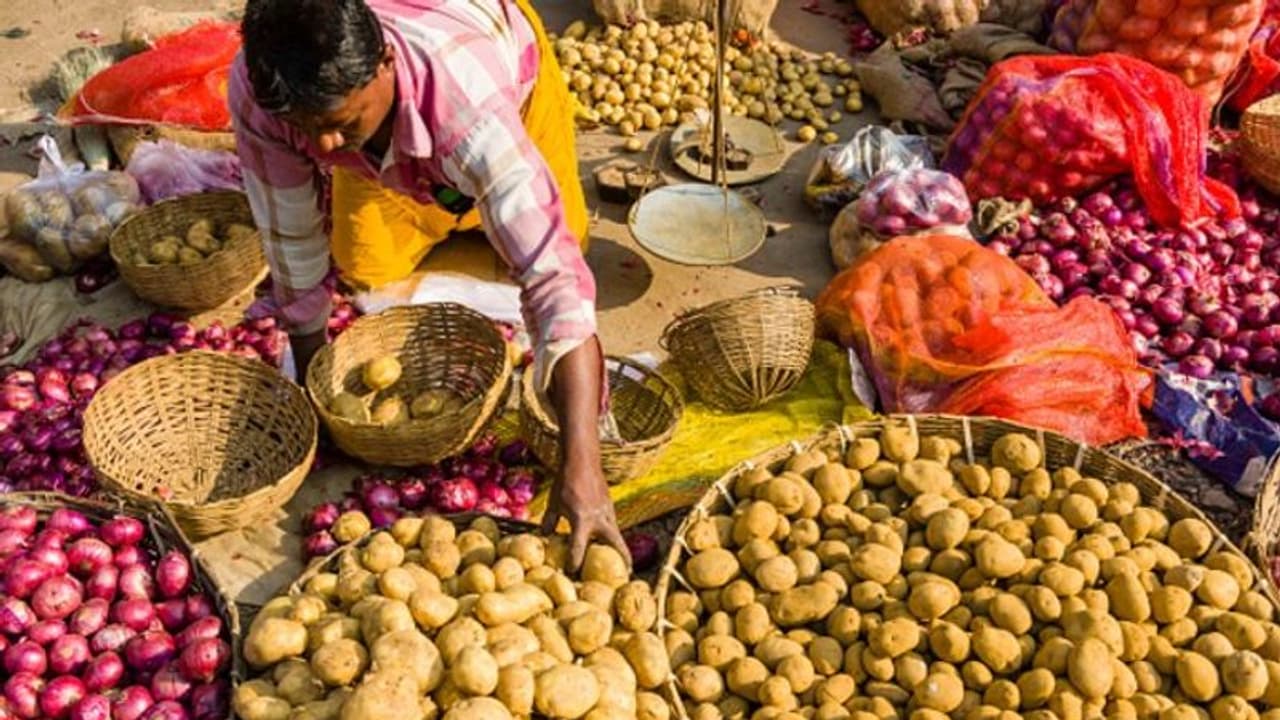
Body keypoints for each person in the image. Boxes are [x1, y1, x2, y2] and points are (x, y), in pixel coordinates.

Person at [231, 0, 627, 569]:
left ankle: (466, 206)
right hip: (392, 135)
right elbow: (290, 234)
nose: (321, 148)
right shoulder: (262, 88)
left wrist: (581, 466)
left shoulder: (468, 104)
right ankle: (444, 201)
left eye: (340, 123)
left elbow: (554, 279)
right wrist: (321, 391)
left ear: (385, 64)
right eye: (305, 128)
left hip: (499, 73)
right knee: (364, 265)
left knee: (553, 238)